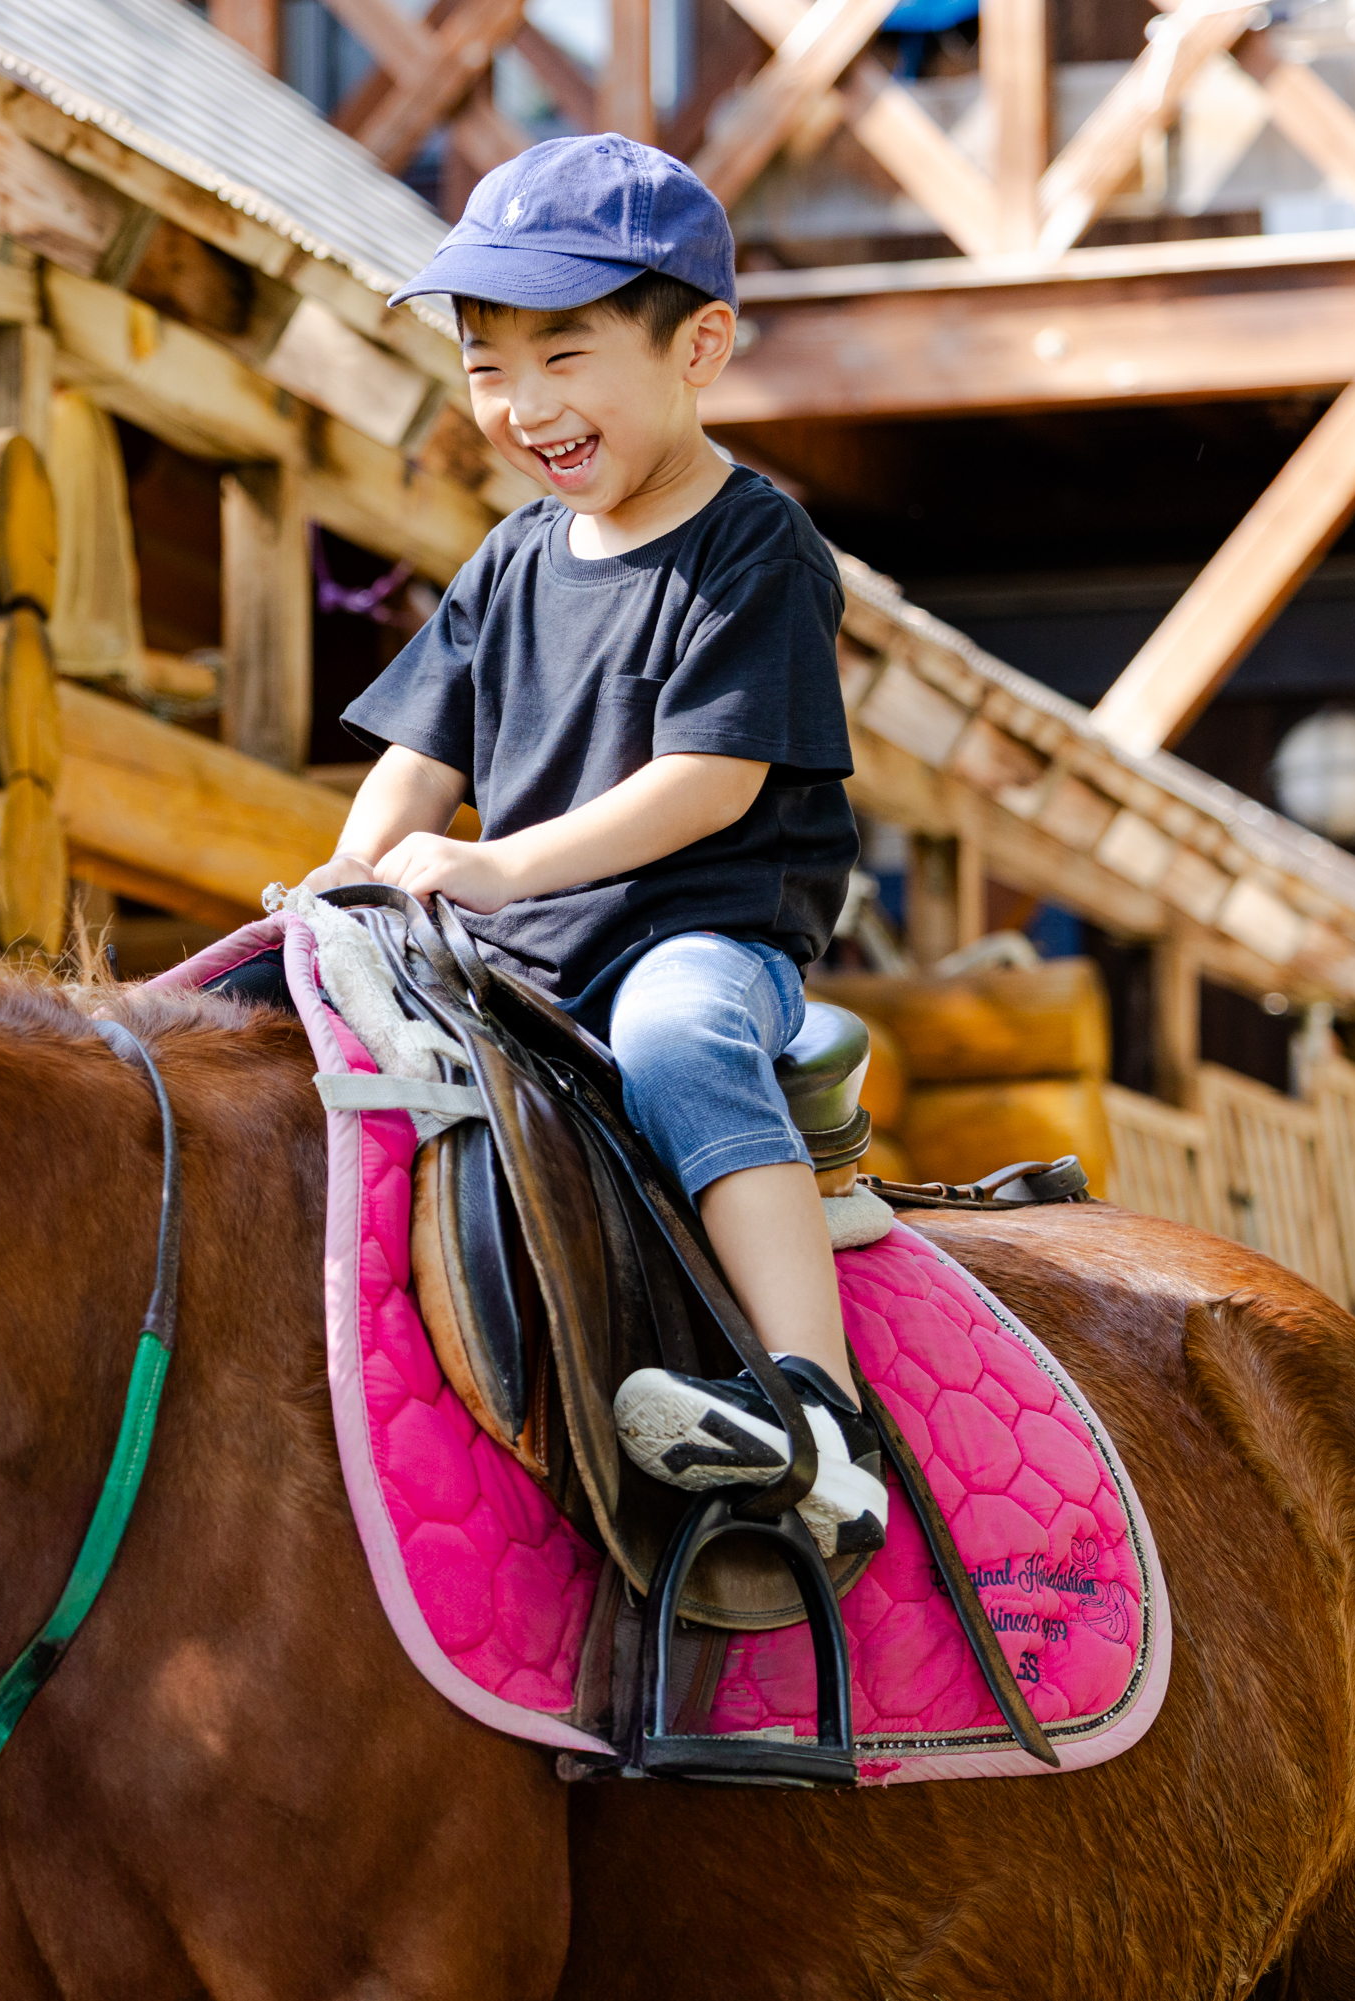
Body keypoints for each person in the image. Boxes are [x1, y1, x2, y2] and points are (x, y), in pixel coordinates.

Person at [300, 136, 884, 1558]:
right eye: (488, 366)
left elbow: (707, 782)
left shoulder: (757, 549)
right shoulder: (511, 559)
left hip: (692, 940)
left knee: (679, 1039)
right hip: (521, 956)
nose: (526, 405)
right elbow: (420, 759)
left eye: (565, 356)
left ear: (699, 348)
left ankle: (817, 1409)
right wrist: (342, 881)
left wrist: (497, 868)